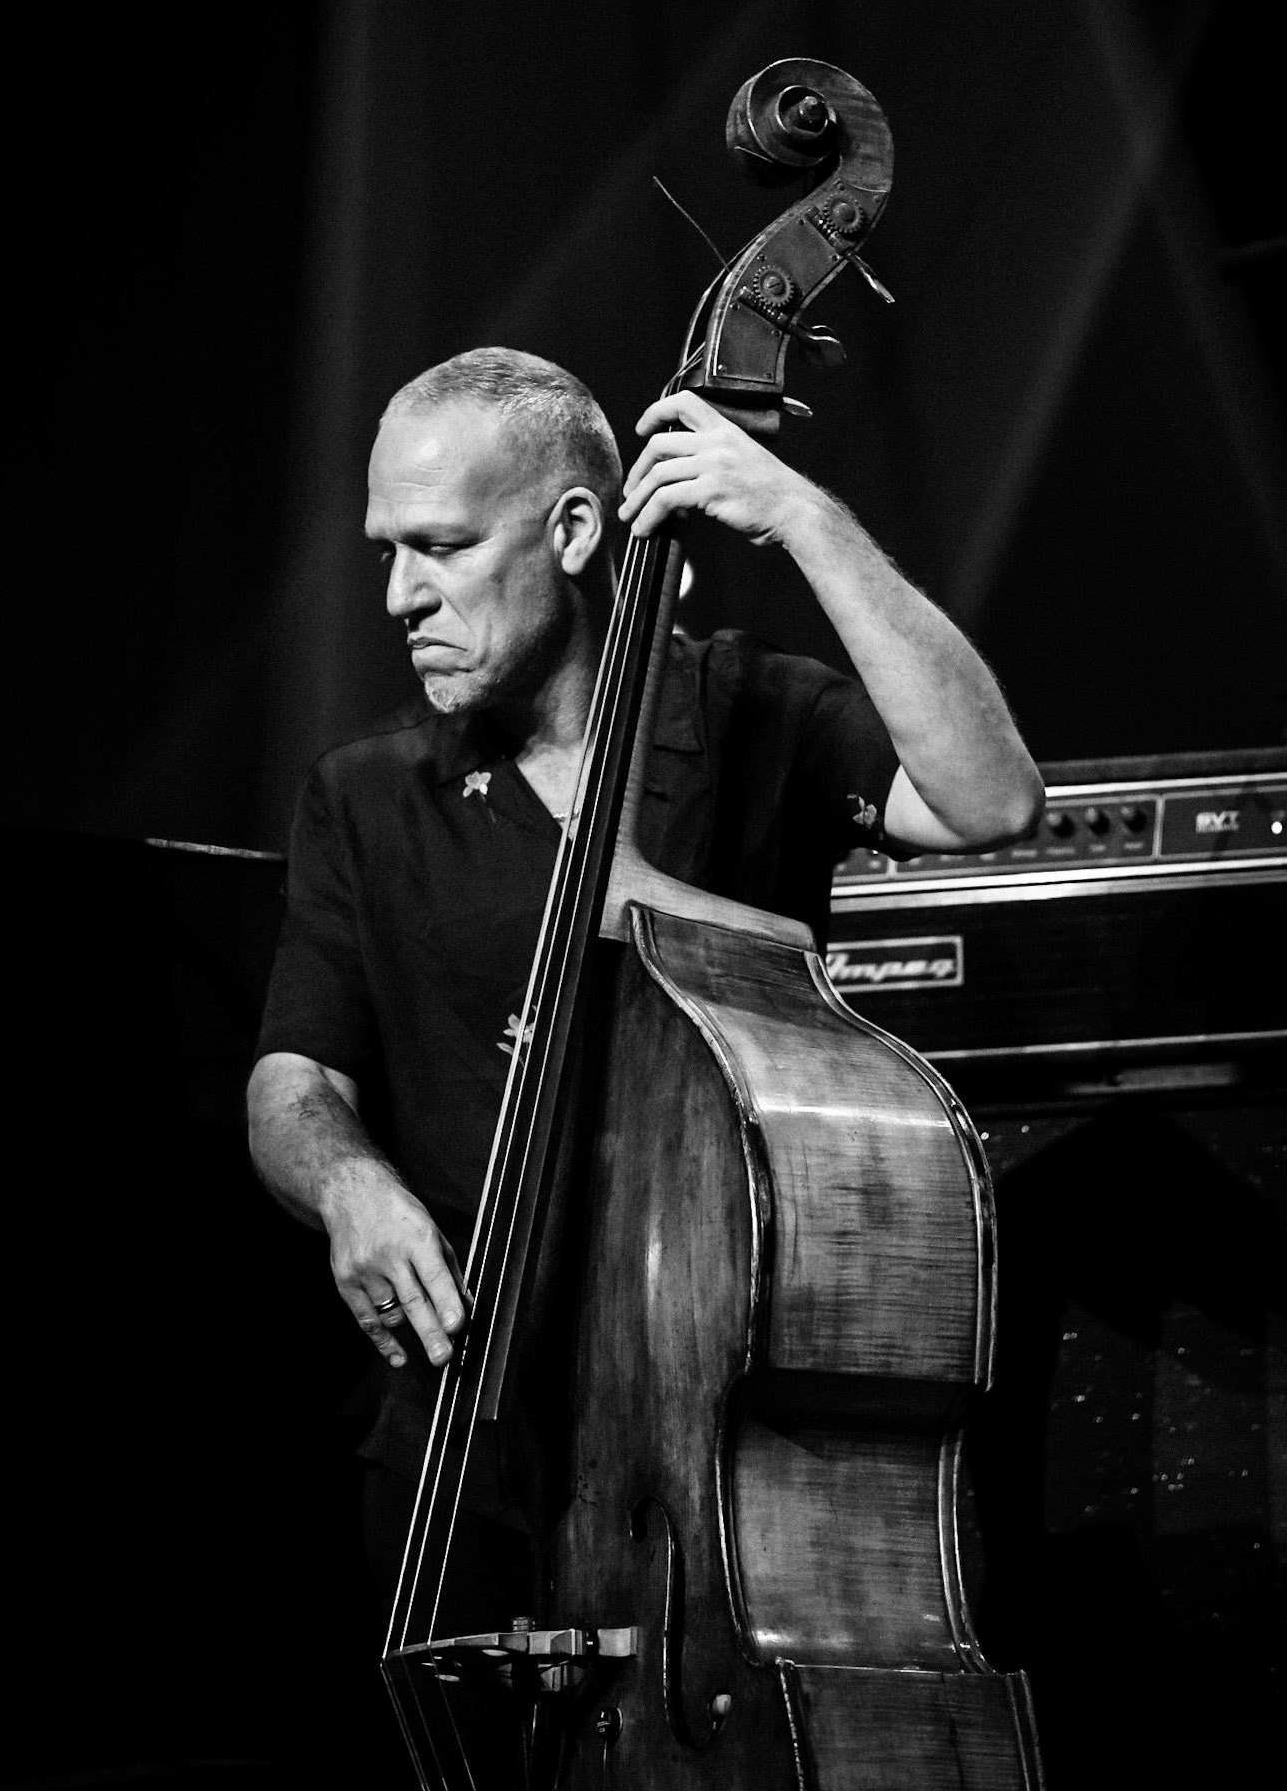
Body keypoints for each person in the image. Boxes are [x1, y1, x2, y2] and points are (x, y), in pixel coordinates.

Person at [247, 346, 1042, 1618]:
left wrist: (803, 517)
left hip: (721, 1446)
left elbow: (992, 799)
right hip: (463, 1441)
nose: (400, 594)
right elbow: (295, 1074)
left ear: (571, 529)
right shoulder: (363, 791)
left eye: (442, 546)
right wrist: (347, 1181)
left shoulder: (754, 709)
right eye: (386, 551)